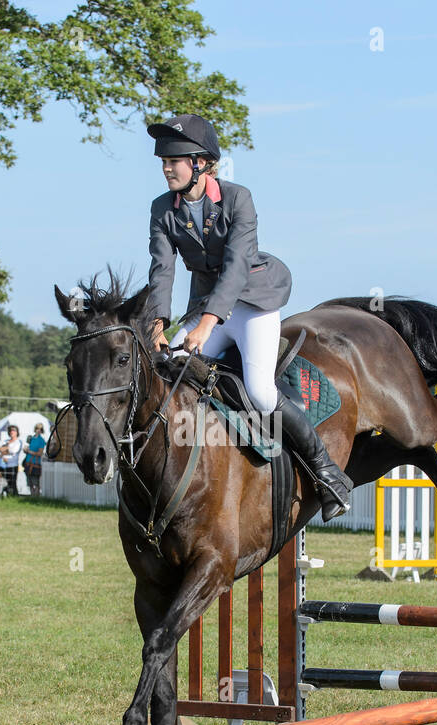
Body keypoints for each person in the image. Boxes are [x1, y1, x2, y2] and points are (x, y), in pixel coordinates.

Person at [145, 112, 351, 519]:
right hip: (209, 306)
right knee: (173, 370)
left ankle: (327, 473)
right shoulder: (161, 209)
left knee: (259, 391)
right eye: (164, 162)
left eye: (174, 161)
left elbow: (237, 266)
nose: (167, 168)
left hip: (253, 302)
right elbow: (161, 270)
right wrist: (156, 327)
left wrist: (206, 324)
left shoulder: (239, 198)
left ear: (201, 163)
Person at [0, 425, 24, 497]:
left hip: (12, 465)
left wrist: (5, 450)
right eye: (11, 430)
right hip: (2, 465)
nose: (12, 431)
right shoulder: (6, 441)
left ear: (17, 432)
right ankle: (5, 495)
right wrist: (7, 448)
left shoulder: (18, 442)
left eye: (14, 430)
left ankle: (14, 496)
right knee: (5, 481)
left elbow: (13, 451)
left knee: (12, 482)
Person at [24, 423, 47, 497]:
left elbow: (40, 453)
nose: (38, 430)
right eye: (37, 428)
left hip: (35, 463)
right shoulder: (31, 438)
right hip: (28, 462)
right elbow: (27, 447)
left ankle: (36, 496)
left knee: (35, 483)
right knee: (29, 482)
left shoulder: (41, 440)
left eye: (40, 429)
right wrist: (25, 450)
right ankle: (32, 496)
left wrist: (29, 451)